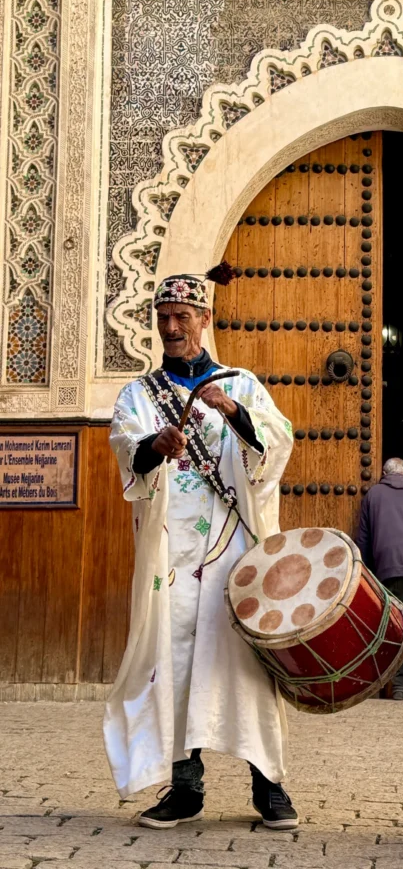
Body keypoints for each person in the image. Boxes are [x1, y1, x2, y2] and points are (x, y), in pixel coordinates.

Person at [107, 267, 298, 831]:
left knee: (247, 663)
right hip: (170, 556)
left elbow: (278, 442)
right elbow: (125, 446)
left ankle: (269, 786)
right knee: (175, 663)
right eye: (163, 318)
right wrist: (152, 444)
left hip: (233, 551)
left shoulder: (240, 384)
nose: (171, 327)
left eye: (182, 318)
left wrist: (234, 413)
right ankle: (185, 787)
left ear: (205, 320)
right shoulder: (140, 394)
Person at [355, 457, 403, 699]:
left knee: (398, 629)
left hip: (389, 568)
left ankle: (398, 686)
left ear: (384, 473)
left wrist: (366, 576)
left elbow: (363, 539)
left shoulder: (373, 495)